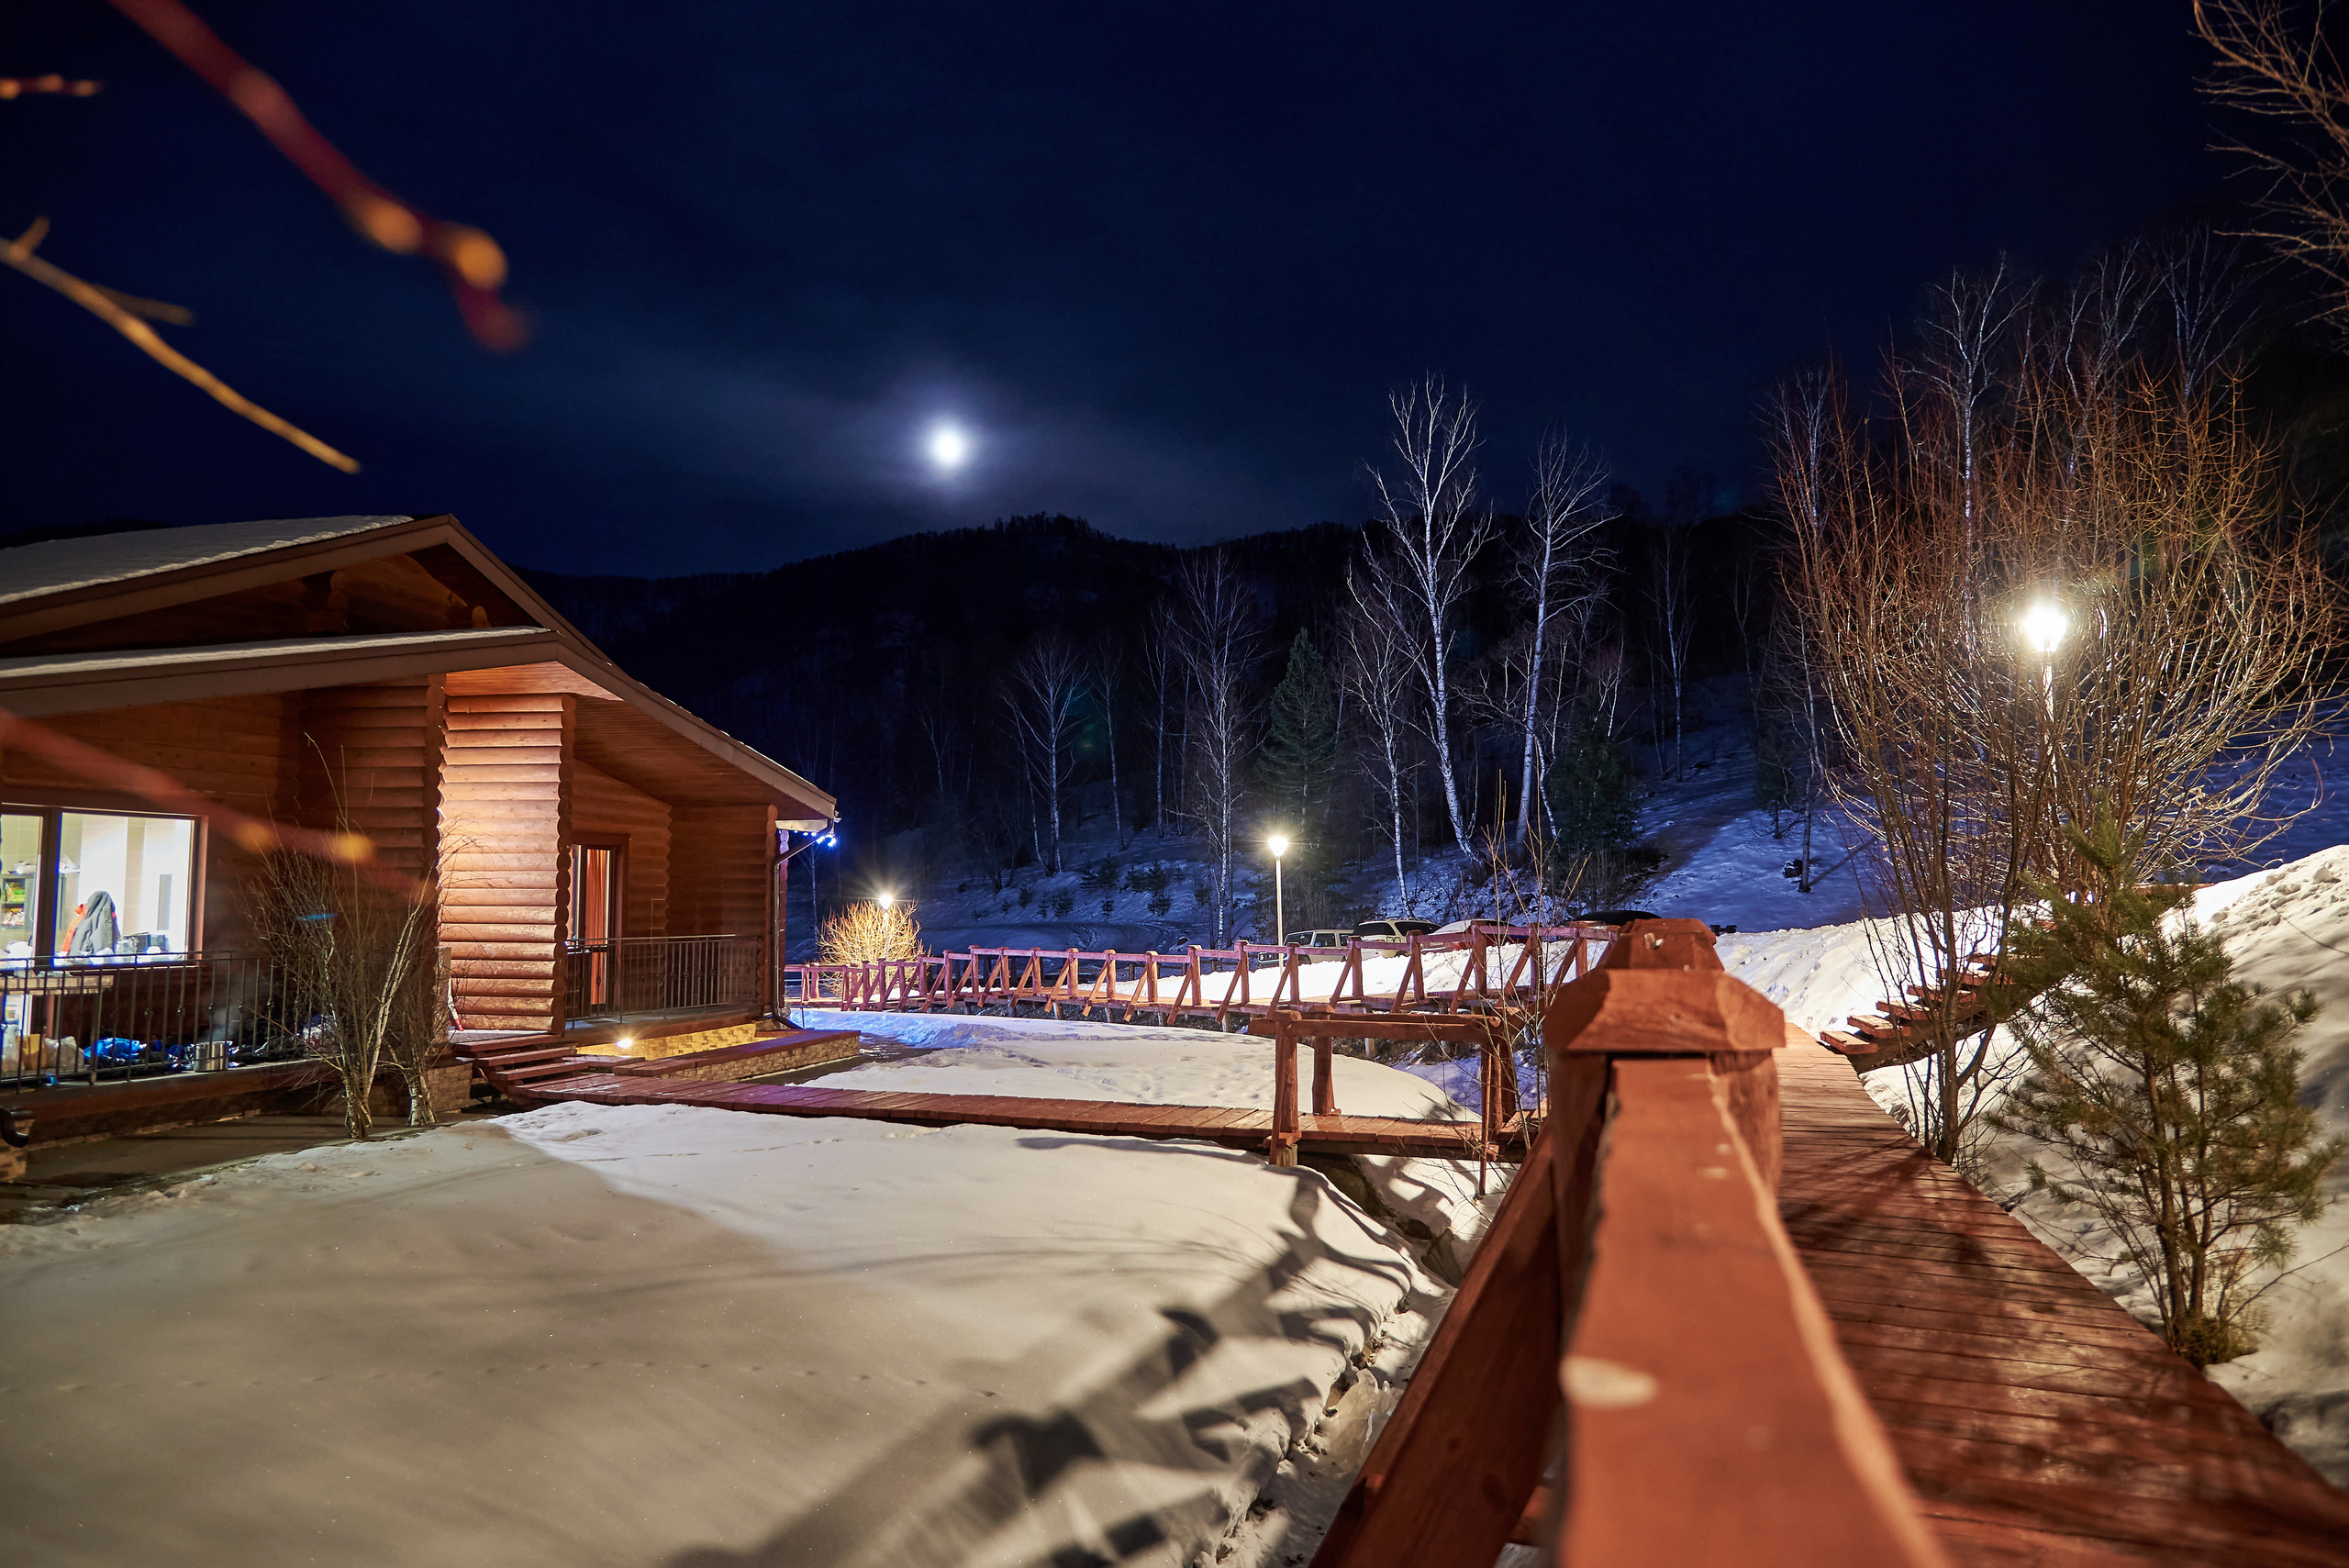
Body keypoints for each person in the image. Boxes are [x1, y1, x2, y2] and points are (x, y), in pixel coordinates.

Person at [66, 890, 118, 956]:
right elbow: (100, 941)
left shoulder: (80, 921)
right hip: (92, 958)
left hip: (77, 957)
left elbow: (69, 941)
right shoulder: (106, 920)